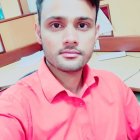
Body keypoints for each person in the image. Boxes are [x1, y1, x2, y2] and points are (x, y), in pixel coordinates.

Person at [0, 0, 140, 139]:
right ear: (38, 32)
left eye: (82, 25)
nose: (71, 38)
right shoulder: (13, 107)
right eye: (56, 25)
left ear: (96, 32)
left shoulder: (116, 87)